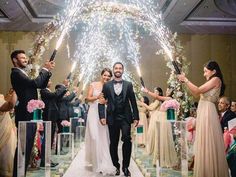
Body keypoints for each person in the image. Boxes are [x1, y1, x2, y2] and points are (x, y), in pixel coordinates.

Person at [177, 60, 229, 177]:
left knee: (208, 141)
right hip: (204, 112)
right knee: (204, 142)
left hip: (208, 113)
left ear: (214, 71)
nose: (204, 74)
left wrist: (186, 80)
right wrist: (185, 81)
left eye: (206, 71)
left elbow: (197, 91)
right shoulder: (212, 80)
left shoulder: (216, 79)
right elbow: (196, 92)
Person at [10, 49, 54, 176]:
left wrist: (48, 71)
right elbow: (35, 83)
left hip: (30, 114)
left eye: (25, 57)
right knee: (23, 148)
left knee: (27, 147)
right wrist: (44, 69)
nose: (25, 59)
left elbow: (40, 85)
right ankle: (17, 174)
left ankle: (21, 173)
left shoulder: (23, 73)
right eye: (22, 58)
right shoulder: (16, 73)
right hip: (24, 114)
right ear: (15, 60)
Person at [98, 62, 139, 177]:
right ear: (113, 69)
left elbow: (133, 102)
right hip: (112, 117)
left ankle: (126, 167)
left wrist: (136, 117)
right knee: (113, 143)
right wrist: (102, 116)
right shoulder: (107, 85)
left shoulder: (128, 84)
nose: (118, 70)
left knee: (127, 139)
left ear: (123, 70)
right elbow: (101, 101)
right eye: (116, 68)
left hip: (125, 117)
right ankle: (116, 166)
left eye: (120, 68)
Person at [84, 68, 114, 174]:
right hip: (93, 113)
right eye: (105, 75)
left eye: (108, 76)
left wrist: (106, 101)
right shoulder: (93, 84)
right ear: (101, 75)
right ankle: (95, 161)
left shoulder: (110, 87)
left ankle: (102, 162)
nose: (106, 77)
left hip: (104, 113)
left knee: (103, 137)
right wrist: (97, 97)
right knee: (94, 136)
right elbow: (87, 98)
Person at [142, 86, 178, 167]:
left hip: (164, 120)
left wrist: (147, 91)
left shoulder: (168, 98)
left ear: (172, 92)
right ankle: (159, 158)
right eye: (167, 89)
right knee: (160, 139)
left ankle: (163, 159)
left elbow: (157, 96)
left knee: (163, 138)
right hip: (160, 118)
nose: (167, 90)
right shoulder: (166, 99)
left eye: (169, 90)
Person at [40, 79, 67, 167]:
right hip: (48, 118)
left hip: (52, 118)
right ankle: (44, 161)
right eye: (48, 80)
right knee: (47, 140)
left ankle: (47, 159)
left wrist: (64, 88)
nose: (50, 82)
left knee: (50, 140)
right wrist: (62, 85)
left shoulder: (49, 92)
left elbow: (58, 96)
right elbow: (55, 95)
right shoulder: (44, 91)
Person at [0, 89, 17, 177]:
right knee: (6, 155)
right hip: (3, 135)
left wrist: (9, 95)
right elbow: (9, 105)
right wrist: (15, 92)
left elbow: (5, 101)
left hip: (6, 131)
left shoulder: (1, 97)